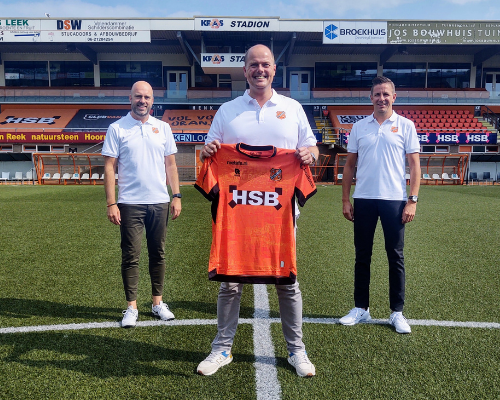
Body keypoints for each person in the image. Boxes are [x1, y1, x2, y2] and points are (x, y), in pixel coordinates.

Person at [196, 44, 319, 377]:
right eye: (253, 64)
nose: (259, 70)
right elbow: (208, 152)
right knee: (230, 283)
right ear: (245, 70)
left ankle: (297, 350)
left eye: (265, 64)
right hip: (237, 214)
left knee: (287, 281)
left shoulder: (292, 109)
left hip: (280, 214)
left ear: (274, 69)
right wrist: (207, 151)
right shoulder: (228, 111)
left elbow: (313, 148)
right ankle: (221, 348)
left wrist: (309, 154)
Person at [340, 76, 420, 334]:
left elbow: (415, 166)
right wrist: (345, 199)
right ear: (371, 97)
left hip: (394, 200)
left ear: (394, 97)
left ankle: (397, 312)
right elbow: (349, 166)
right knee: (362, 255)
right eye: (377, 94)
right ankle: (361, 308)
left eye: (386, 94)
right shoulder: (359, 127)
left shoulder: (406, 125)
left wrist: (412, 200)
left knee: (395, 256)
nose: (381, 98)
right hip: (363, 198)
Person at [102, 81, 182, 328]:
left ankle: (157, 303)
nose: (142, 101)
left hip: (159, 202)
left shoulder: (163, 128)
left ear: (152, 101)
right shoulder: (117, 128)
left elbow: (170, 165)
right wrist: (111, 203)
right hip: (130, 203)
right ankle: (131, 307)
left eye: (147, 97)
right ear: (130, 99)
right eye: (138, 96)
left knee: (158, 253)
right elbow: (109, 167)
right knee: (131, 256)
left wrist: (176, 195)